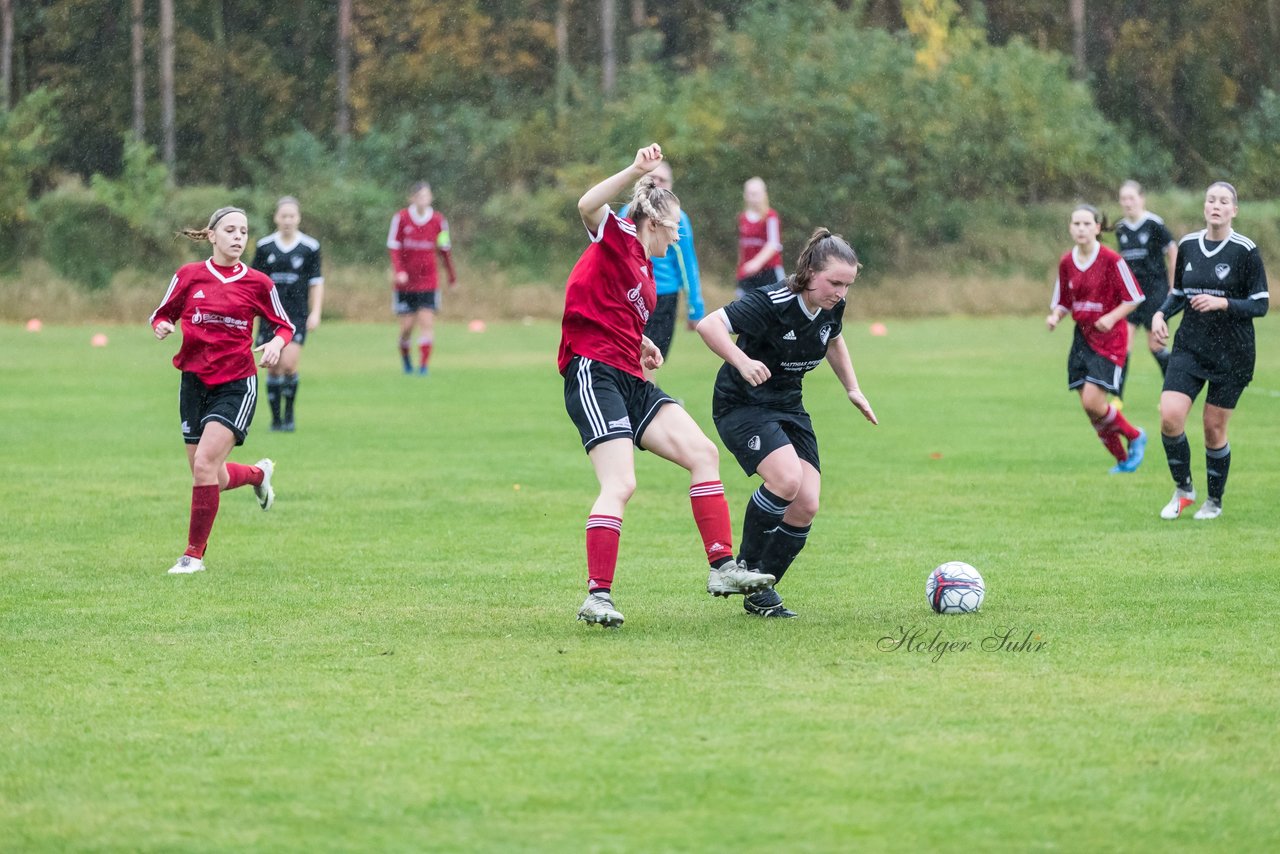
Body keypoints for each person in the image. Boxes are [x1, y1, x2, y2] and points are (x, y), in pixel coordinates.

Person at [560, 143, 775, 628]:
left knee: (703, 454)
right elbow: (586, 204)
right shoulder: (617, 236)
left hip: (629, 375)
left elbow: (609, 307)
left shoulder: (646, 271)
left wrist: (640, 343)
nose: (677, 238)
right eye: (674, 228)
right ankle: (598, 596)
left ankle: (722, 568)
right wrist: (635, 170)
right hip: (594, 373)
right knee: (621, 483)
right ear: (652, 223)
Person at [697, 228, 878, 618]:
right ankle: (737, 569)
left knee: (806, 504)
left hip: (787, 405)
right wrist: (742, 362)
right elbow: (708, 325)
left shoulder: (832, 305)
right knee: (786, 478)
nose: (840, 293)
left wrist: (852, 388)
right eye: (834, 282)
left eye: (848, 285)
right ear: (810, 272)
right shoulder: (770, 301)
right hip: (741, 404)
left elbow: (833, 339)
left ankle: (760, 588)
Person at [149, 206, 295, 574]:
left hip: (235, 384)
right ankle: (259, 476)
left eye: (243, 232)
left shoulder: (258, 283)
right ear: (212, 235)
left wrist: (277, 344)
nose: (237, 237)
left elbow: (284, 326)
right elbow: (162, 312)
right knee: (209, 473)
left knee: (204, 465)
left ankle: (192, 556)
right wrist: (163, 324)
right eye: (230, 230)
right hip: (193, 383)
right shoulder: (188, 276)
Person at [1151, 181, 1269, 520]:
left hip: (1233, 354)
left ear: (1234, 210)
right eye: (1210, 200)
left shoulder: (1245, 250)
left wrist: (1223, 302)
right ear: (1204, 207)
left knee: (1213, 428)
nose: (1216, 206)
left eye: (1223, 201)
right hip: (1190, 346)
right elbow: (1179, 293)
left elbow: (1261, 304)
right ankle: (1184, 489)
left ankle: (1213, 501)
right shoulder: (1188, 245)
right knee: (1170, 416)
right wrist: (1161, 314)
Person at [1046, 204, 1148, 473]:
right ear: (1070, 227)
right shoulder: (1067, 262)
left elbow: (1135, 297)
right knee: (1089, 408)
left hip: (1110, 339)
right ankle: (1122, 460)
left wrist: (1112, 318)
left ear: (1097, 227)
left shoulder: (1112, 260)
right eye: (1076, 224)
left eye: (1086, 224)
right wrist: (1056, 316)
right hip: (1082, 338)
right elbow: (1064, 301)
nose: (1081, 229)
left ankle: (1135, 435)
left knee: (1094, 402)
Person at [618, 160, 704, 376]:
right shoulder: (627, 212)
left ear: (671, 185)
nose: (656, 183)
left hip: (663, 297)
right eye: (651, 178)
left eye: (662, 180)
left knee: (648, 361)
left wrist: (695, 307)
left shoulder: (679, 219)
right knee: (629, 359)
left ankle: (649, 405)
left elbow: (687, 264)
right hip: (631, 295)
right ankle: (649, 405)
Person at [252, 196, 324, 431]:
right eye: (283, 216)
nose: (287, 220)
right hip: (269, 315)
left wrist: (316, 312)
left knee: (289, 364)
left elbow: (316, 282)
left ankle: (289, 415)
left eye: (292, 216)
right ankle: (276, 420)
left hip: (297, 314)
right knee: (272, 366)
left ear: (298, 218)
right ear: (276, 218)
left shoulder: (310, 247)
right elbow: (253, 283)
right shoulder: (264, 247)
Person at [387, 181, 457, 375]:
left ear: (431, 198)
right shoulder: (401, 218)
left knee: (426, 322)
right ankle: (406, 359)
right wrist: (399, 270)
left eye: (427, 196)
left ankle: (424, 366)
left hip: (428, 280)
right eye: (419, 196)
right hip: (406, 284)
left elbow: (445, 250)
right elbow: (393, 247)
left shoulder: (438, 221)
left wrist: (452, 276)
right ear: (412, 198)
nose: (423, 200)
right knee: (407, 327)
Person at [1115, 180, 1177, 386]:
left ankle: (1173, 388)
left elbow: (1172, 249)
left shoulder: (1154, 224)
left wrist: (1173, 284)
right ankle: (1117, 399)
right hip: (1130, 296)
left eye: (1131, 198)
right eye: (1123, 199)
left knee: (1156, 346)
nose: (1127, 203)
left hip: (1155, 292)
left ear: (1141, 199)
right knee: (1123, 345)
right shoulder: (1120, 228)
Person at [736, 177, 784, 296]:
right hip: (748, 274)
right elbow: (742, 247)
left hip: (769, 272)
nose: (754, 198)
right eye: (750, 194)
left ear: (764, 195)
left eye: (756, 194)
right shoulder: (742, 218)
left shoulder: (770, 216)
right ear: (745, 195)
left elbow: (773, 244)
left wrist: (756, 263)